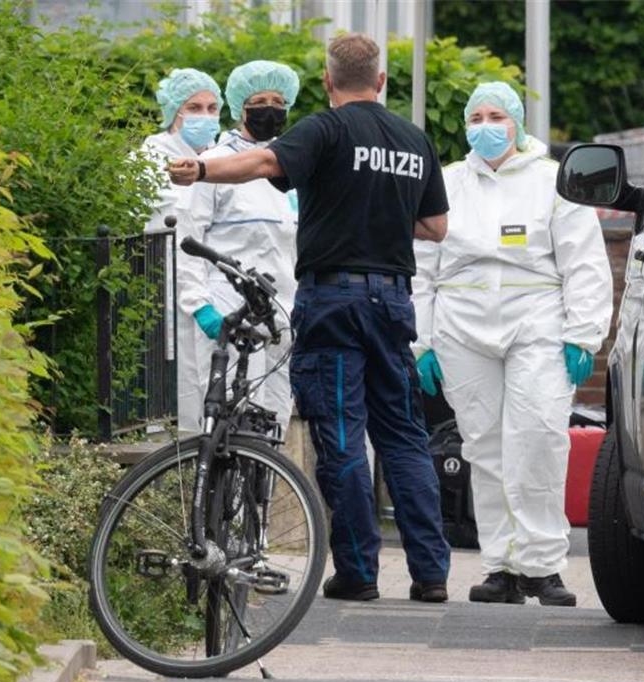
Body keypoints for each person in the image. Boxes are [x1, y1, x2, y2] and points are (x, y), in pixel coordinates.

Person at [168, 33, 452, 604]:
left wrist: (200, 169)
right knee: (402, 435)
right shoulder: (414, 139)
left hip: (335, 301)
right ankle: (431, 573)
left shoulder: (326, 129)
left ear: (327, 82)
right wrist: (381, 211)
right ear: (380, 81)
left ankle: (358, 572)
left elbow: (263, 160)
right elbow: (436, 227)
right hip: (392, 300)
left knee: (343, 436)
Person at [412, 82, 613, 607]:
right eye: (475, 116)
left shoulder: (553, 182)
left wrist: (582, 334)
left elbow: (584, 262)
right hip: (462, 325)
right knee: (484, 444)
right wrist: (423, 341)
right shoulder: (449, 182)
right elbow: (423, 267)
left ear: (517, 123)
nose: (484, 125)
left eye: (495, 114)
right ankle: (500, 564)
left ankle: (543, 566)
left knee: (539, 436)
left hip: (536, 322)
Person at [174, 60, 301, 438]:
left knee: (273, 424)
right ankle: (219, 499)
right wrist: (200, 306)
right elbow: (188, 240)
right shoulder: (212, 165)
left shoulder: (293, 167)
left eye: (278, 101)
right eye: (259, 100)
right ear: (240, 107)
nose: (270, 108)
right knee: (227, 426)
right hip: (228, 307)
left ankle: (259, 500)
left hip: (283, 313)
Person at [139, 68, 224, 433]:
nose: (204, 116)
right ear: (175, 111)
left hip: (211, 284)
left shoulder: (221, 156)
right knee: (171, 384)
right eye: (194, 107)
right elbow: (180, 210)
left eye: (211, 107)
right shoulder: (152, 152)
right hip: (167, 280)